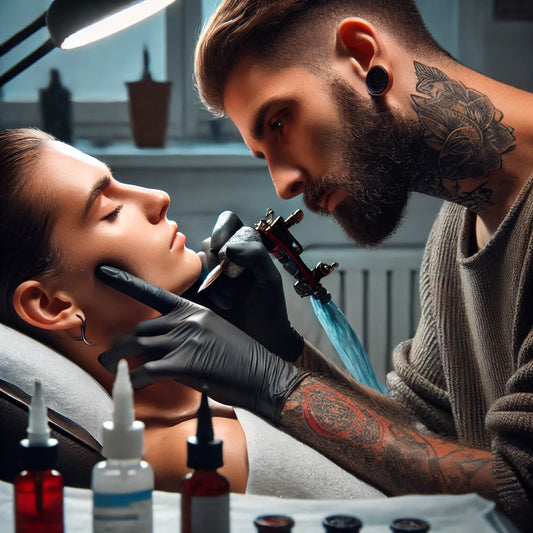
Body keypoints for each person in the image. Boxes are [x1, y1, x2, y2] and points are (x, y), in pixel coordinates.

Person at [97, 0, 533, 530]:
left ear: (360, 53)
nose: (283, 185)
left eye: (280, 121)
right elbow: (426, 442)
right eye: (263, 155)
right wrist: (283, 350)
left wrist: (274, 385)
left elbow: (520, 490)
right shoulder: (455, 231)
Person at [0, 127, 385, 500]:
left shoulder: (206, 401)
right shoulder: (200, 453)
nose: (157, 198)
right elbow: (417, 486)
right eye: (110, 211)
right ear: (52, 306)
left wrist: (282, 348)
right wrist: (276, 379)